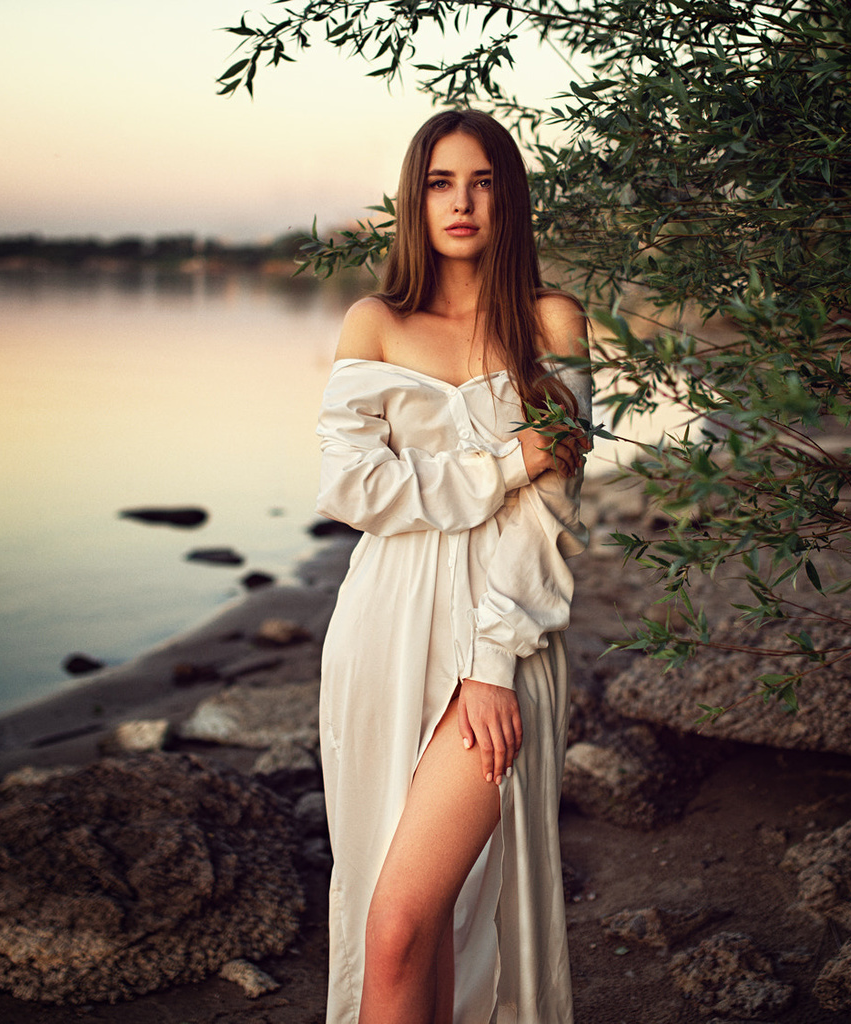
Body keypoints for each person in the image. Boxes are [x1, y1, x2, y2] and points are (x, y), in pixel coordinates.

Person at [315, 108, 591, 1024]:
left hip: (501, 637)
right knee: (401, 928)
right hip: (383, 626)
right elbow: (353, 488)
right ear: (414, 200)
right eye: (440, 183)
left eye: (480, 182)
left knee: (401, 919)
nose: (461, 202)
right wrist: (511, 461)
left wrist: (492, 662)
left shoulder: (550, 321)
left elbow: (549, 518)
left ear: (508, 198)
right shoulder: (376, 322)